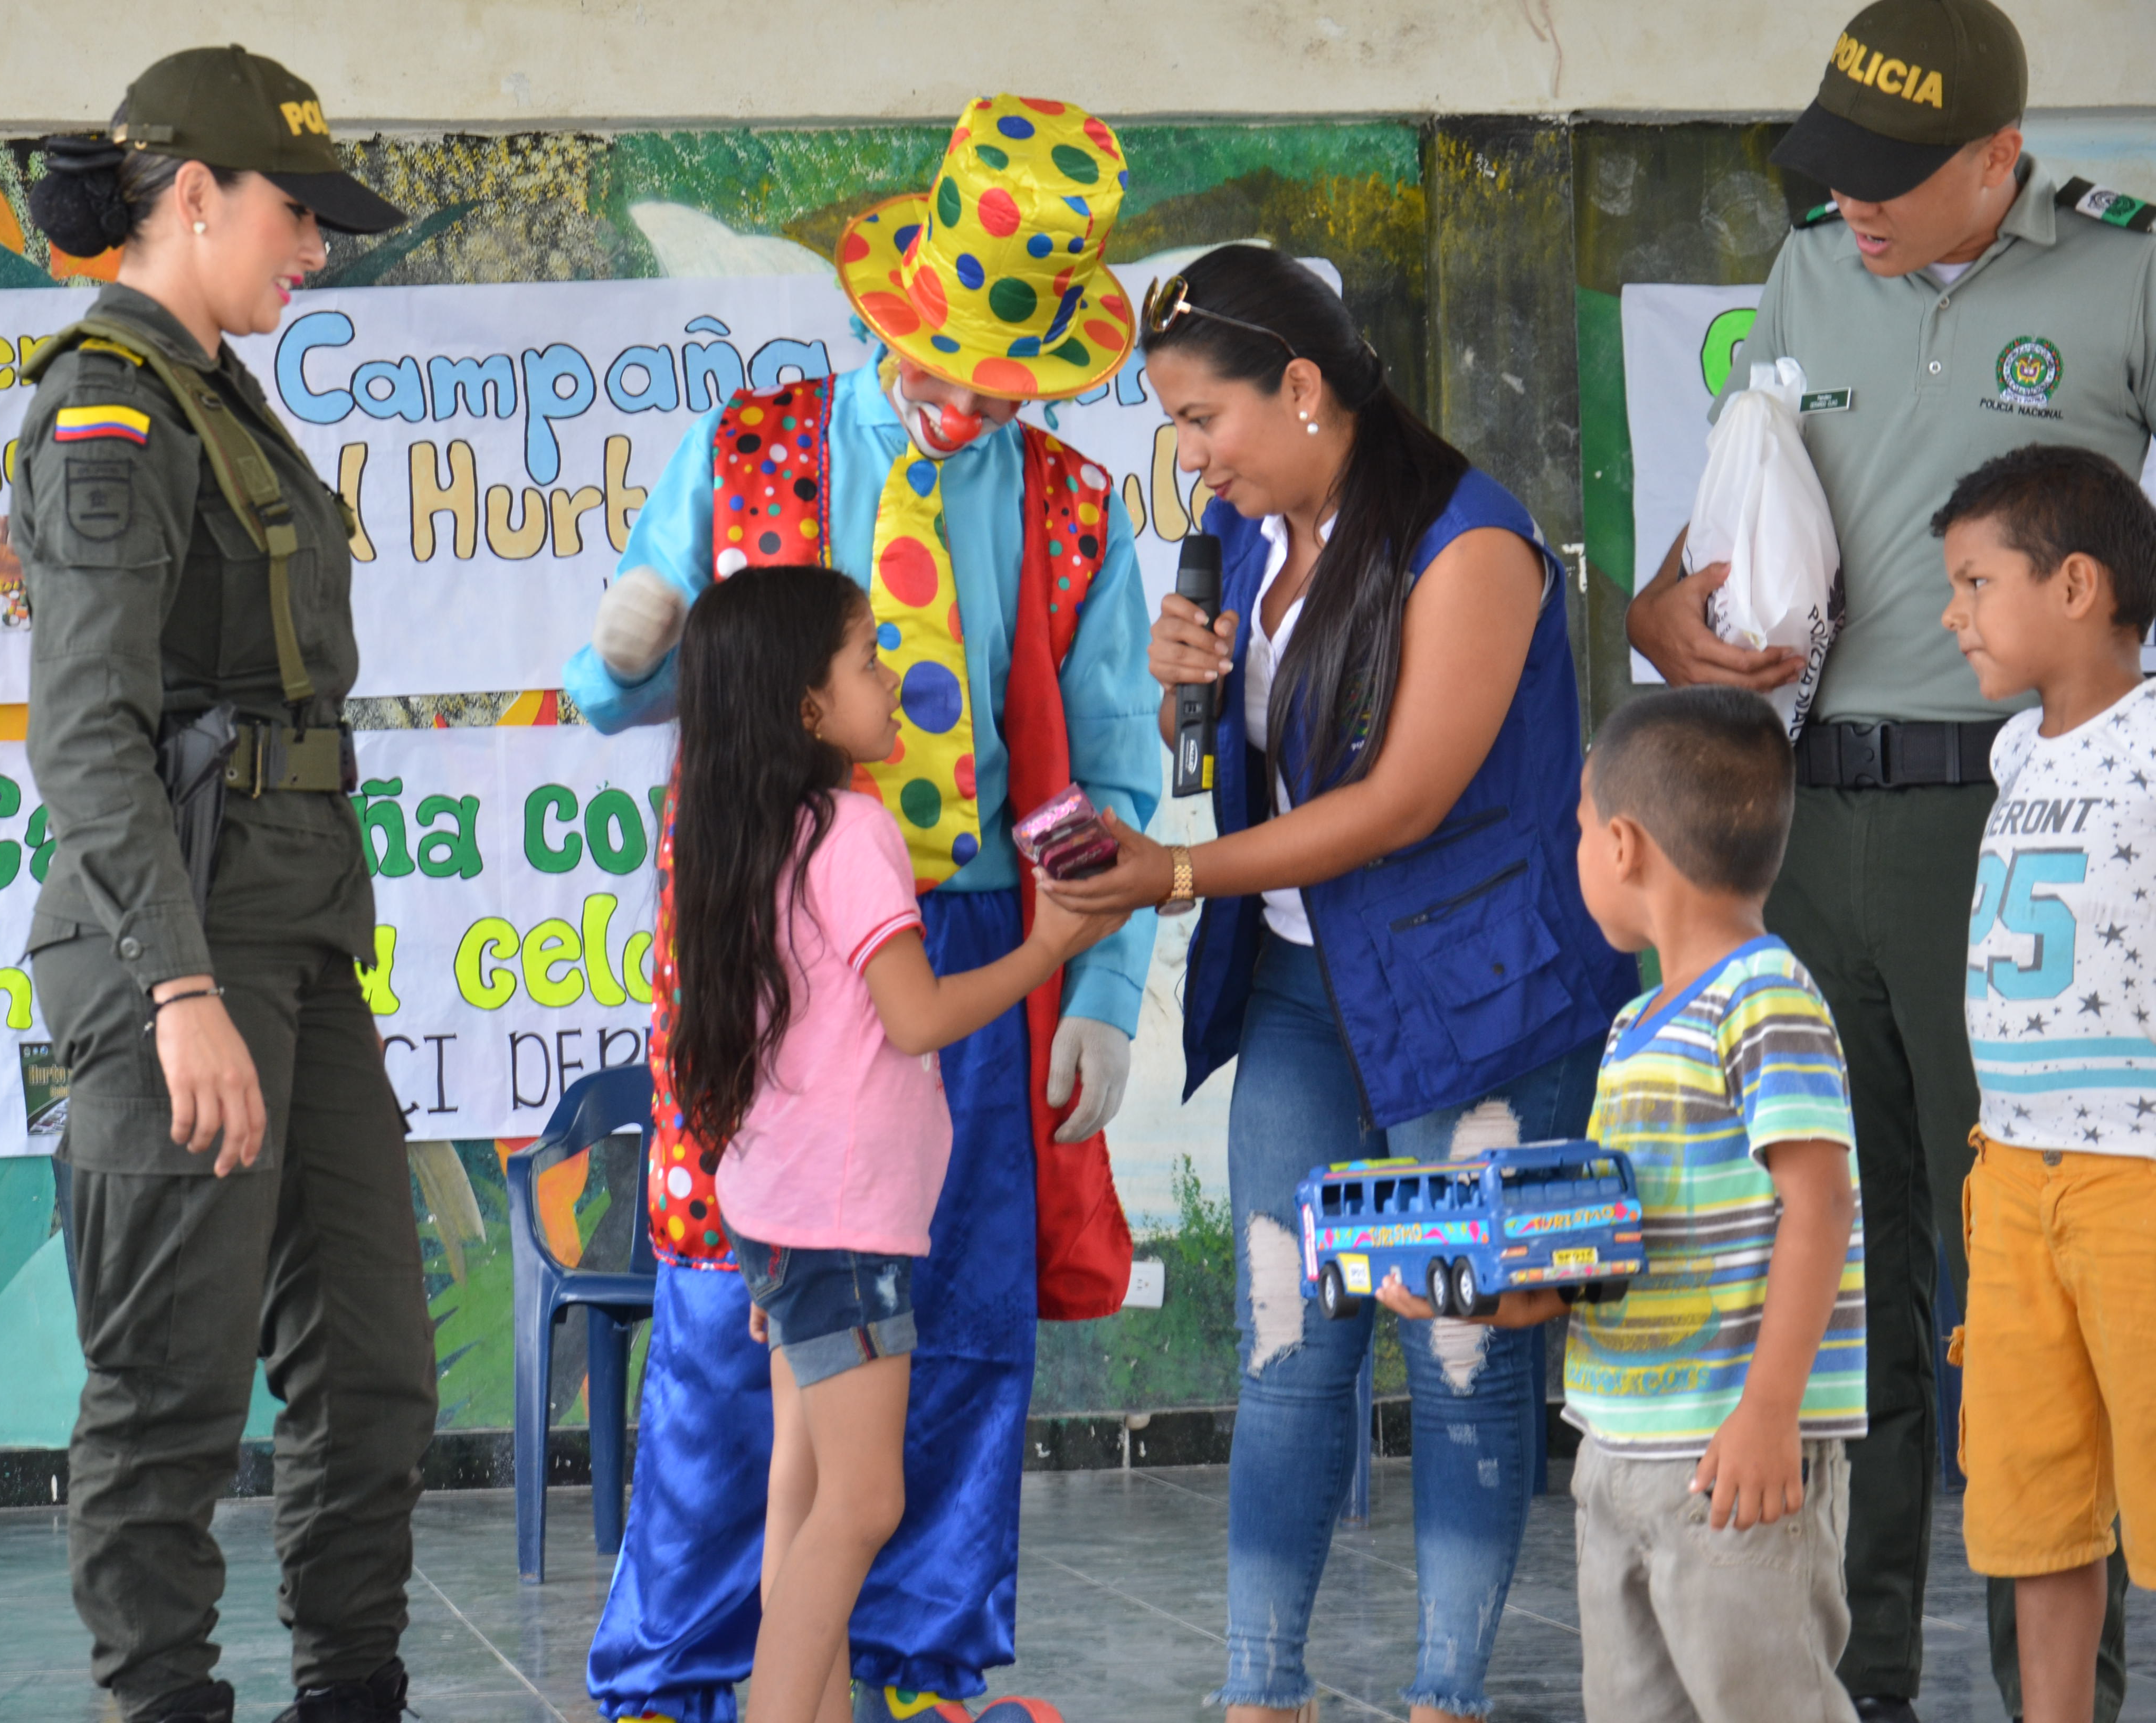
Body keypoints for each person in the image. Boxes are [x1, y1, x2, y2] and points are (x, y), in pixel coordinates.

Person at [562, 94, 1163, 1723]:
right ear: (895, 314)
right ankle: (686, 1677)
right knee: (719, 1317)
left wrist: (1104, 999)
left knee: (955, 1322)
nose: (978, 396)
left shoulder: (1069, 507)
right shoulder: (753, 451)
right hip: (766, 943)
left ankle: (907, 1670)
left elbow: (1112, 766)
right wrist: (622, 653)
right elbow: (607, 700)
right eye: (957, 354)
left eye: (1012, 371)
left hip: (967, 935)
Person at [1621, 2, 2156, 1711]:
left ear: (1996, 156)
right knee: (1846, 1270)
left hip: (2017, 836)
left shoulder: (2120, 277)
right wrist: (1668, 614)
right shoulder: (1805, 273)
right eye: (1830, 169)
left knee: (2021, 1279)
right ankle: (1849, 1682)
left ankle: (2043, 1690)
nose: (1848, 205)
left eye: (1888, 178)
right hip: (1807, 818)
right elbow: (1728, 515)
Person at [1041, 244, 1638, 1722]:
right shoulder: (1254, 541)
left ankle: (1446, 1698)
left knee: (1458, 1350)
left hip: (1477, 1006)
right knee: (1289, 1337)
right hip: (1311, 993)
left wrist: (1172, 874)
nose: (1188, 458)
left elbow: (1401, 803)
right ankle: (1262, 1697)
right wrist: (1195, 680)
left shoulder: (1472, 543)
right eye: (1173, 425)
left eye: (1201, 420)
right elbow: (1282, 757)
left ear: (1301, 389)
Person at [17, 46, 431, 1723]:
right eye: (296, 214)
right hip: (176, 947)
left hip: (298, 937)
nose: (315, 249)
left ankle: (353, 1696)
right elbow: (88, 733)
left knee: (379, 1376)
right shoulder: (111, 403)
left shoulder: (214, 384)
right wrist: (180, 990)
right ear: (192, 196)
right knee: (172, 1394)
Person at [663, 565, 1118, 1723]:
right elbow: (914, 1018)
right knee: (860, 1506)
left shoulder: (738, 832)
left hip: (776, 1214)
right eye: (868, 662)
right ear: (808, 709)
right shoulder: (852, 829)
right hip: (841, 1225)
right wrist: (1048, 947)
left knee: (800, 1494)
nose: (893, 683)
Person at [1390, 687, 1867, 1722]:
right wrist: (1479, 1297)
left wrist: (1770, 1411)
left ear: (1621, 844)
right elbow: (1612, 1247)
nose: (1574, 855)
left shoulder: (1764, 996)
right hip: (1619, 1451)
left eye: (1573, 832)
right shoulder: (1636, 1028)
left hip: (1732, 1459)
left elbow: (1820, 1204)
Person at [1936, 446, 2156, 1723]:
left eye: (1976, 582)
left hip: (2137, 1174)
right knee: (2035, 1504)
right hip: (2013, 1175)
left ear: (2075, 585)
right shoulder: (2016, 753)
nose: (1954, 614)